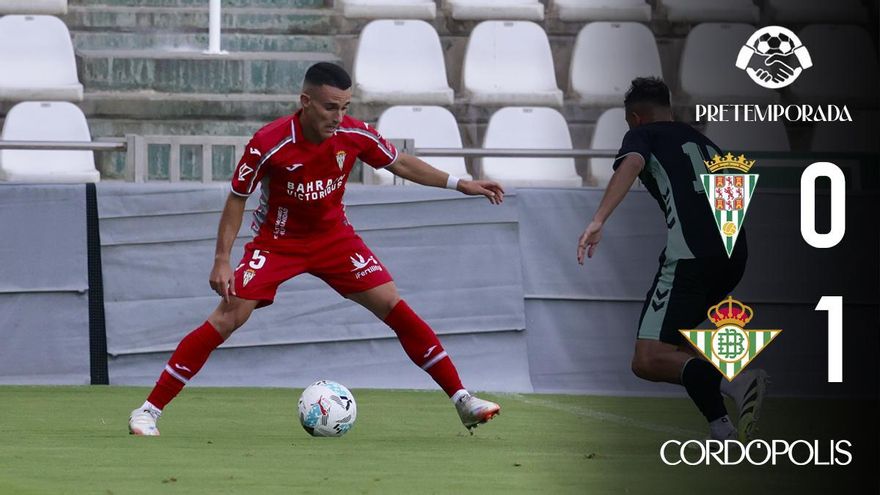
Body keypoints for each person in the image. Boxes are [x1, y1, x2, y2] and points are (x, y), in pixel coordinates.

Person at [129, 62, 503, 436]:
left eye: (345, 107)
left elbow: (399, 162)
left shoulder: (355, 134)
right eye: (330, 107)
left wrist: (460, 183)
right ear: (305, 102)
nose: (339, 117)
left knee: (393, 304)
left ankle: (462, 400)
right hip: (278, 243)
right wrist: (222, 259)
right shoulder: (269, 142)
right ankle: (148, 411)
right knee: (229, 316)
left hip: (333, 239)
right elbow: (237, 198)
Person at [576, 77, 766, 441]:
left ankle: (738, 382)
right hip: (732, 254)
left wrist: (598, 220)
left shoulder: (644, 136)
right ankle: (720, 427)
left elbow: (630, 164)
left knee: (647, 359)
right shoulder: (705, 142)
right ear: (671, 110)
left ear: (636, 118)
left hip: (691, 256)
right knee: (676, 345)